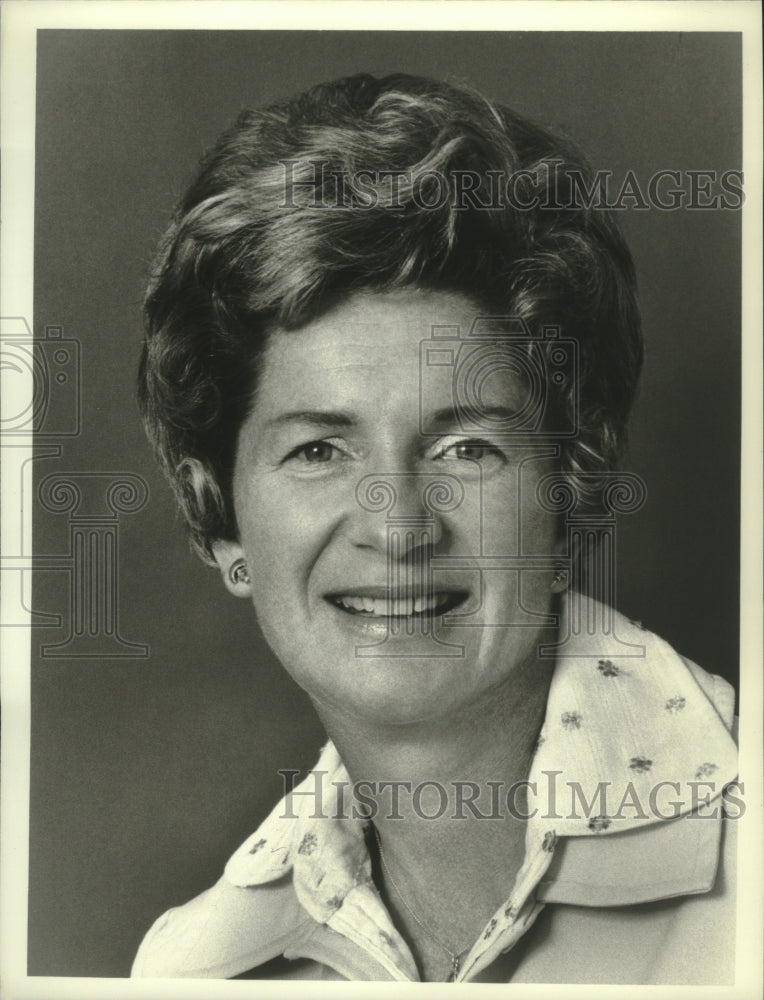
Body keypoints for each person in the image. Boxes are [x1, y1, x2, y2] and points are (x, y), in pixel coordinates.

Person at [131, 73, 738, 984]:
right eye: (318, 452)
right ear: (222, 522)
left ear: (570, 489)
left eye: (466, 449)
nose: (399, 526)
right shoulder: (193, 967)